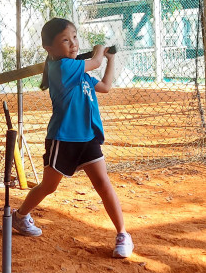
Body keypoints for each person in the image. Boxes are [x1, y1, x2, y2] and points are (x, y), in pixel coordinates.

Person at [10, 18, 134, 259]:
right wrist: (100, 52)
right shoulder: (63, 68)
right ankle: (20, 216)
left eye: (75, 37)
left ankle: (122, 234)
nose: (73, 43)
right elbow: (94, 61)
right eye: (65, 40)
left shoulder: (79, 71)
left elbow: (106, 86)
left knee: (102, 184)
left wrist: (112, 59)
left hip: (87, 137)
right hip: (64, 138)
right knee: (49, 186)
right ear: (49, 48)